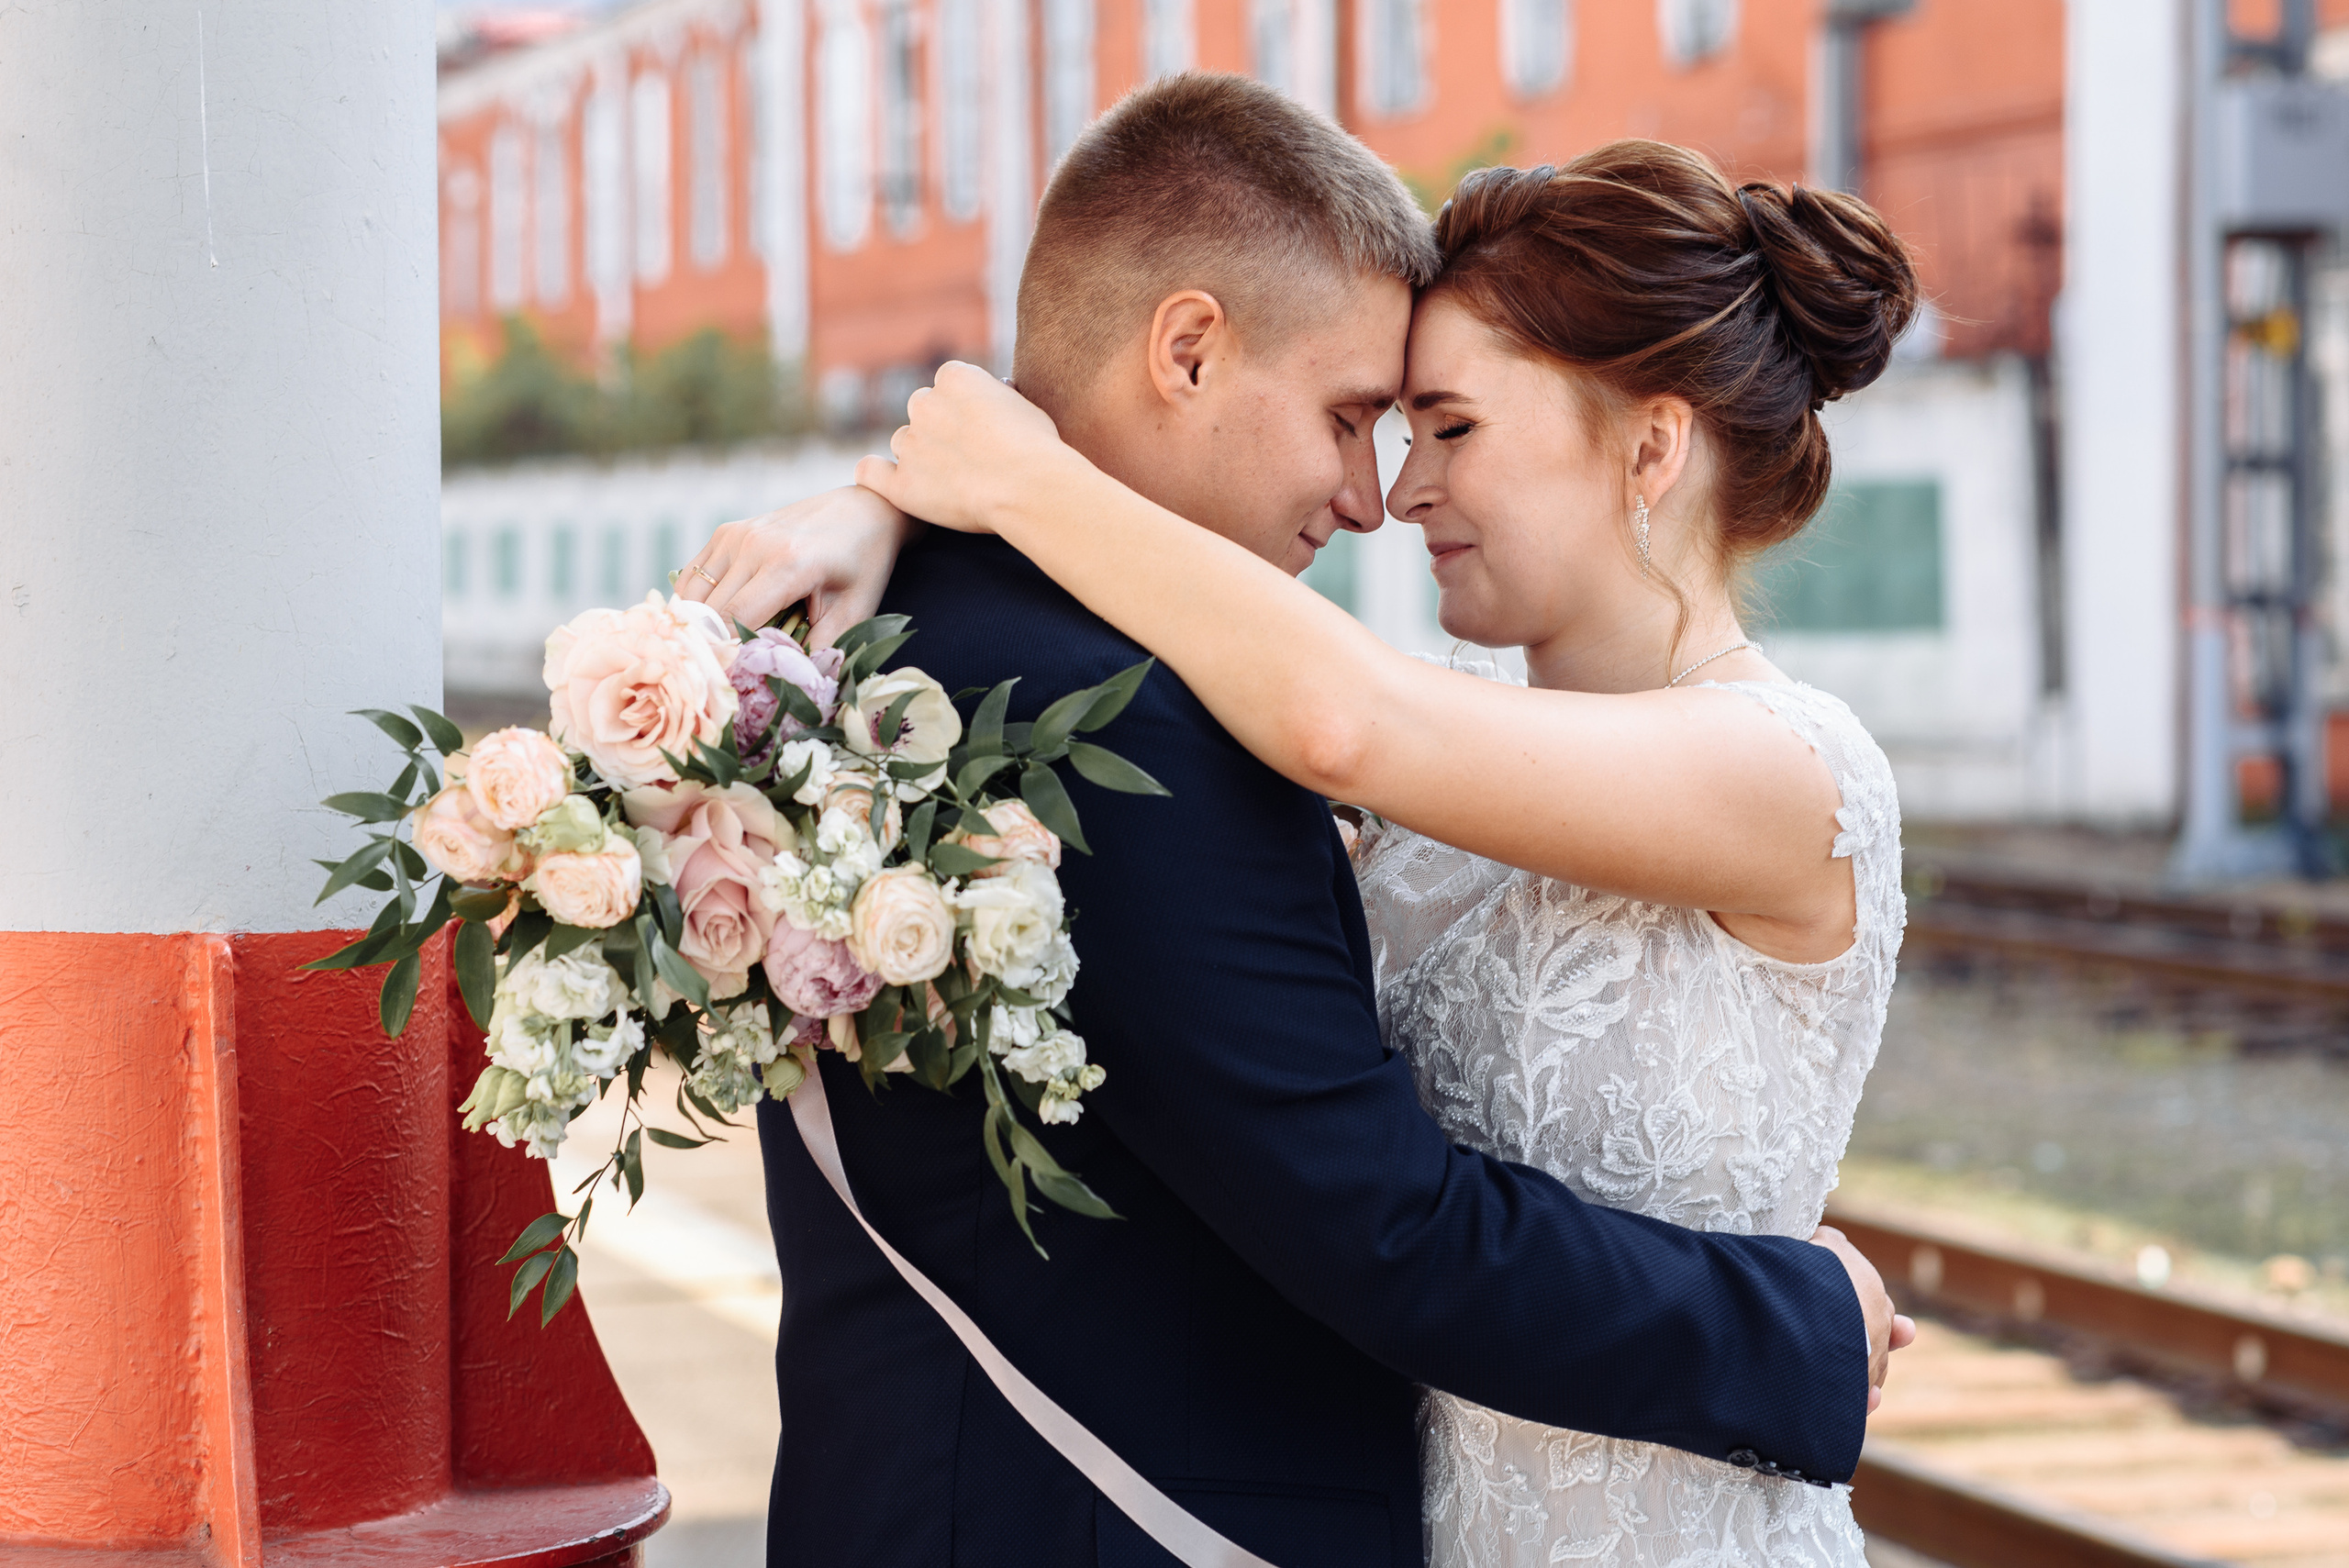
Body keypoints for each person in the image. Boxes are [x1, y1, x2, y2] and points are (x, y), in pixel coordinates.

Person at [685, 74, 1900, 1568]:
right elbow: (1381, 1200)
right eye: (1376, 419)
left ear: (1652, 454)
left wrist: (974, 482)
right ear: (1189, 347)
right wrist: (912, 499)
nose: (1388, 491)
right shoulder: (1199, 716)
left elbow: (1343, 713)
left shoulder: (1779, 765)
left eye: (1440, 424)